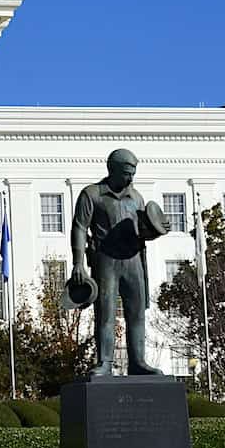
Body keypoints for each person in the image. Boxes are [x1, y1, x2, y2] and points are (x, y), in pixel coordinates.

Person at [69, 148, 167, 378]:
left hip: (134, 261)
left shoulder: (137, 198)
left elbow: (144, 230)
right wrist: (78, 263)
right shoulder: (92, 195)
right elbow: (80, 227)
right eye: (126, 173)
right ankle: (104, 362)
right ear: (112, 169)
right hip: (106, 260)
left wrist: (157, 229)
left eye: (133, 173)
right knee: (106, 313)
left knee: (136, 313)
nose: (130, 178)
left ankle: (138, 362)